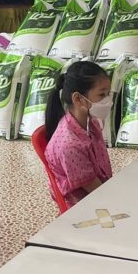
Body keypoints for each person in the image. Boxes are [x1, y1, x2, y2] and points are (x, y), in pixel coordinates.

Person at [43, 61, 113, 206]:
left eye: (108, 94)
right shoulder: (70, 146)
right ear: (78, 99)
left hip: (100, 192)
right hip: (85, 207)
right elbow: (96, 191)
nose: (108, 100)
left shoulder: (91, 122)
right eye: (101, 94)